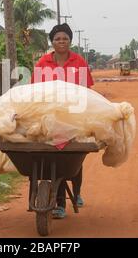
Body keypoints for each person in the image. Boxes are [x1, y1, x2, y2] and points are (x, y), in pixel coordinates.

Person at [31, 23, 94, 219]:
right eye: (57, 39)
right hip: (50, 115)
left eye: (65, 38)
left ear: (70, 41)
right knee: (55, 156)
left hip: (74, 114)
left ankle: (76, 193)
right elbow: (35, 90)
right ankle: (59, 204)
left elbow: (86, 90)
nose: (61, 42)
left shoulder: (79, 61)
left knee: (75, 156)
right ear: (52, 42)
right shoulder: (43, 63)